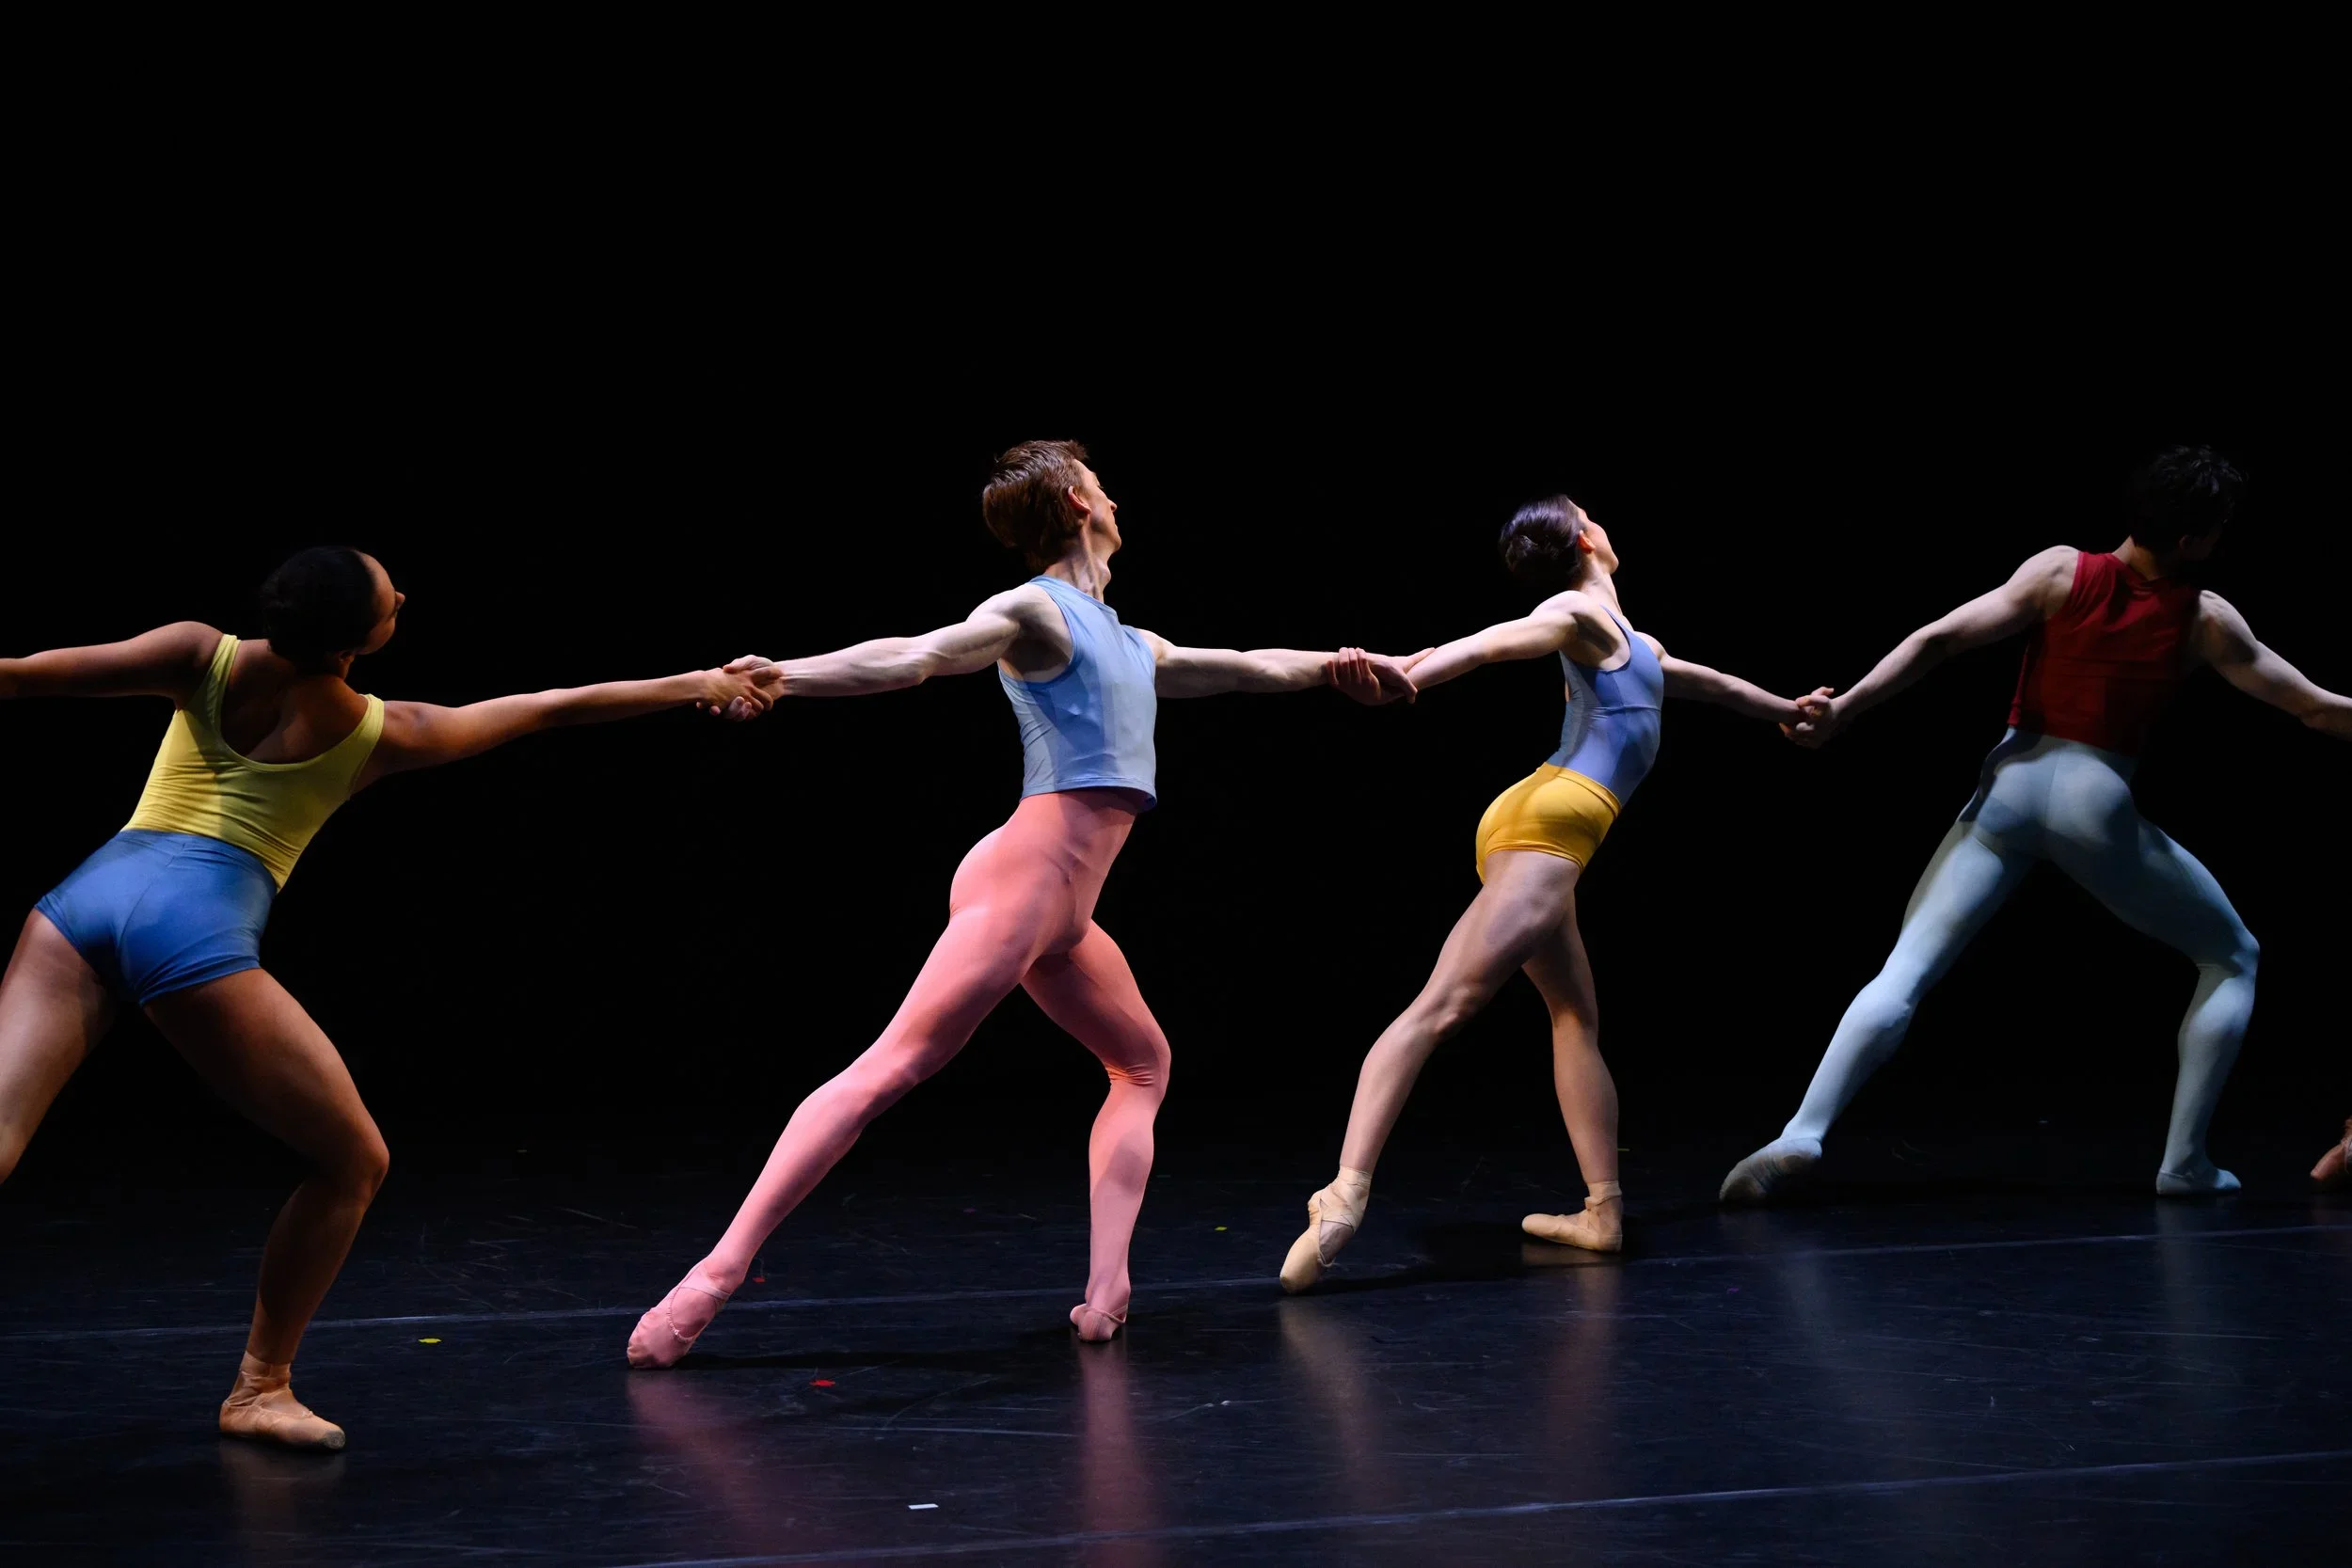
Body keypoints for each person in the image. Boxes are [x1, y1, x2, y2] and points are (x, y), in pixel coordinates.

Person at [627, 440, 1416, 1367]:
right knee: (891, 1066)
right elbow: (915, 657)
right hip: (1024, 879)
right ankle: (713, 1275)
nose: (1118, 496)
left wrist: (1344, 665)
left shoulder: (1129, 640)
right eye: (1106, 485)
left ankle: (1105, 1290)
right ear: (1081, 501)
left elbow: (1243, 665)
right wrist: (783, 674)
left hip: (1063, 904)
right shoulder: (1035, 610)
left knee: (1143, 1062)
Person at [0, 546, 778, 1450]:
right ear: (353, 644)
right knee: (352, 1160)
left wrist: (694, 680)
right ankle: (260, 1387)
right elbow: (549, 708)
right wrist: (698, 682)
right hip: (191, 930)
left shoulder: (195, 653)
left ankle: (261, 1390)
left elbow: (16, 678)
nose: (402, 594)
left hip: (81, 903)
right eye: (389, 599)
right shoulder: (381, 730)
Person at [1722, 447, 2351, 1204]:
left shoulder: (2060, 570)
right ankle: (2184, 1162)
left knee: (1906, 968)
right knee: (2234, 955)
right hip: (2096, 797)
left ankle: (1803, 1129)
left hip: (2007, 786)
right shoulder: (2206, 617)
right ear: (2192, 540)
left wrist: (1843, 710)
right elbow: (2315, 707)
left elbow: (1938, 638)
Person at [1279, 496, 1814, 1291]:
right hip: (1543, 831)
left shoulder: (1636, 641)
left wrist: (1789, 711)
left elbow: (1717, 686)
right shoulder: (1573, 611)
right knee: (1440, 1008)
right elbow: (1494, 645)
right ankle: (1342, 1198)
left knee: (1575, 1015)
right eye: (1594, 513)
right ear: (1587, 538)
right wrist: (1405, 679)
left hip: (1549, 832)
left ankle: (1602, 1213)